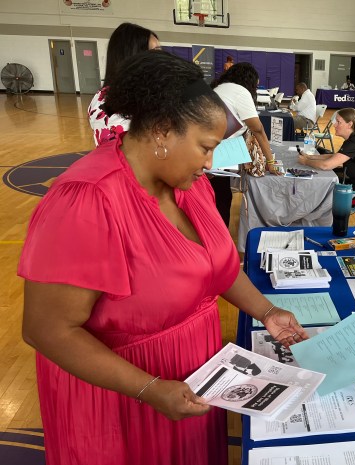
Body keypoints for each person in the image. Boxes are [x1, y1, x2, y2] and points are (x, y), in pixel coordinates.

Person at [19, 51, 308, 465]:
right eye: (206, 148)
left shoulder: (188, 183)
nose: (211, 163)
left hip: (188, 385)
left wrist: (266, 310)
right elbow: (47, 329)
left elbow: (218, 269)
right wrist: (149, 388)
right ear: (161, 132)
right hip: (122, 399)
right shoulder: (87, 200)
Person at [211, 62, 281, 225]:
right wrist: (270, 162)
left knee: (217, 195)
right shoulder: (240, 92)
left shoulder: (221, 87)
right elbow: (258, 130)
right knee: (221, 199)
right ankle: (220, 241)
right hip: (217, 154)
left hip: (210, 149)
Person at [88, 23, 160, 147]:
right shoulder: (108, 103)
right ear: (134, 57)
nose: (162, 59)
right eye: (155, 53)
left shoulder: (143, 95)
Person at [297, 108, 355, 208]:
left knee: (321, 196)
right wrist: (310, 157)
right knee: (321, 187)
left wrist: (306, 161)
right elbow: (335, 156)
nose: (334, 125)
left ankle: (323, 222)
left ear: (349, 124)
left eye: (338, 122)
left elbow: (326, 165)